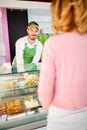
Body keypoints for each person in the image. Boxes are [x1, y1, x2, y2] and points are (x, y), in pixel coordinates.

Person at [38, 0, 87, 130]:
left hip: (59, 119)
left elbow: (44, 93)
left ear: (57, 14)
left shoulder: (52, 44)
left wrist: (52, 110)